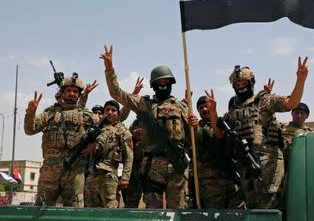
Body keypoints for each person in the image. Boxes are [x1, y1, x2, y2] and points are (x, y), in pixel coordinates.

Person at [100, 45, 196, 209]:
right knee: (153, 213)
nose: (163, 85)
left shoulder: (181, 106)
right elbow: (117, 93)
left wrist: (194, 124)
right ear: (153, 84)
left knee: (178, 211)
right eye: (159, 82)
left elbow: (192, 138)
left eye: (166, 81)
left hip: (177, 164)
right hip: (152, 165)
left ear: (171, 83)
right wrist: (109, 69)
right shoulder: (144, 104)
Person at [206, 57, 309, 209]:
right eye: (237, 84)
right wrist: (213, 112)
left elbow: (291, 103)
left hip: (268, 162)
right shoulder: (234, 109)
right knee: (252, 210)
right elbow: (219, 134)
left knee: (268, 209)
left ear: (251, 83)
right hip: (245, 166)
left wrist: (300, 80)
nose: (241, 87)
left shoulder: (264, 100)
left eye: (244, 83)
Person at [24, 74, 98, 207]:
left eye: (75, 91)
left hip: (75, 172)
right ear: (62, 93)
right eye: (68, 90)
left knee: (74, 213)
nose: (71, 93)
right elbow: (30, 130)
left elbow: (105, 132)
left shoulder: (87, 115)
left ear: (79, 95)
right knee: (41, 208)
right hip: (49, 172)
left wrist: (94, 146)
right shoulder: (50, 113)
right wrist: (30, 113)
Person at [82, 100, 134, 208]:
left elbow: (129, 155)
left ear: (118, 114)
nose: (110, 112)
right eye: (107, 110)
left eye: (113, 110)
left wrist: (125, 177)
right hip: (91, 175)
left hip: (109, 176)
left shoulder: (122, 131)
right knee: (90, 211)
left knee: (110, 210)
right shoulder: (95, 128)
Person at [194, 96, 242, 209]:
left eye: (206, 106)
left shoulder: (223, 124)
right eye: (201, 107)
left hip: (229, 177)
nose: (205, 109)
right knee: (214, 216)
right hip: (210, 182)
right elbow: (196, 138)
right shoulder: (198, 127)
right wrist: (194, 127)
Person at [281, 102, 312, 169]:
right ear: (292, 113)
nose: (299, 116)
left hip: (298, 166)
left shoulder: (309, 133)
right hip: (281, 164)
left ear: (307, 116)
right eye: (297, 112)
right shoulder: (281, 128)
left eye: (302, 113)